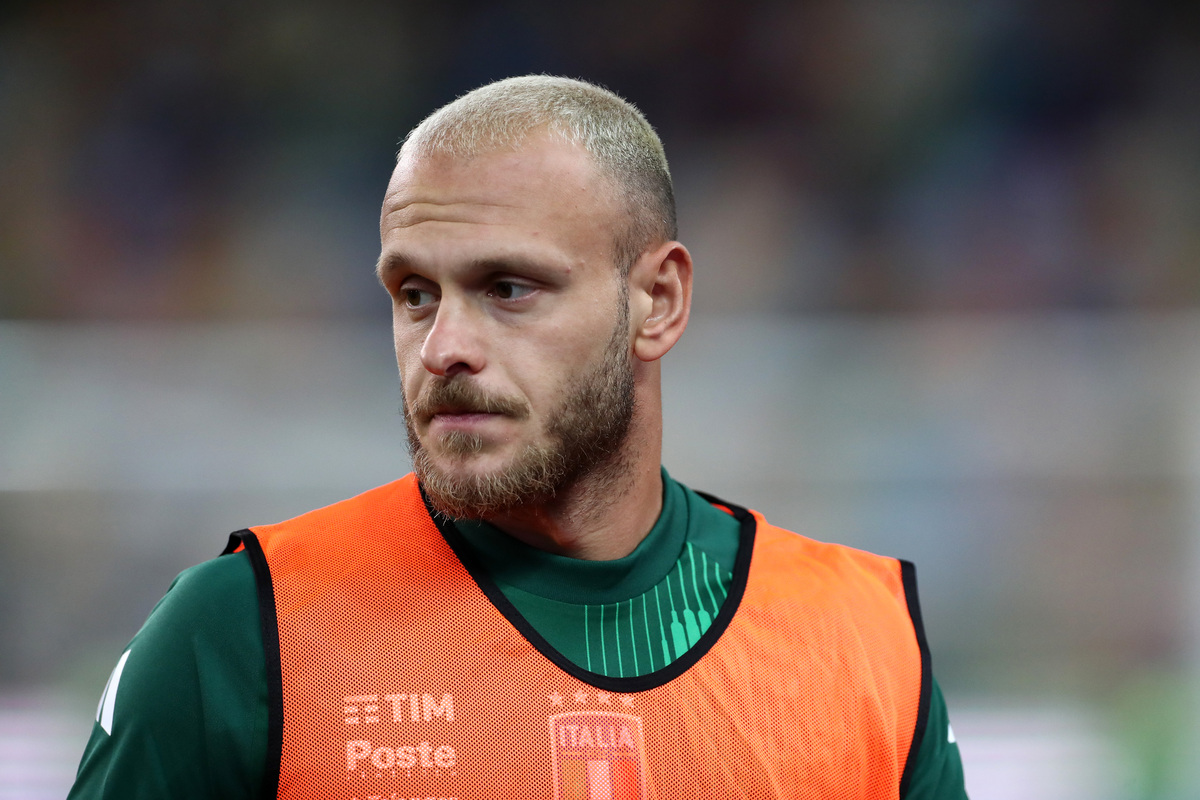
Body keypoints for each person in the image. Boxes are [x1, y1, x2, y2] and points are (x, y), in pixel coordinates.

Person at [69, 75, 967, 799]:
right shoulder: (240, 634)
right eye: (414, 293)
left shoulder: (865, 638)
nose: (443, 347)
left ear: (657, 302)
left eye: (509, 288)